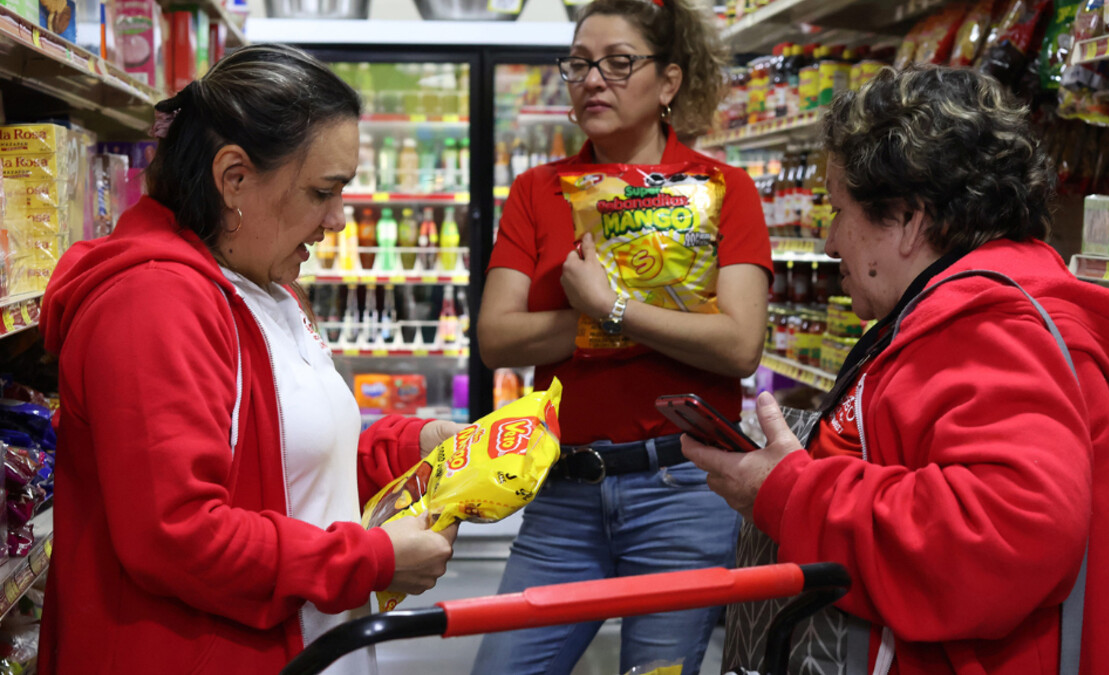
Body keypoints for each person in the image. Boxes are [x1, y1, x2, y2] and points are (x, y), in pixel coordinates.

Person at [683, 65, 1109, 674]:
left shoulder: (989, 329)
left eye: (839, 211)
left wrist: (788, 491)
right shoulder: (995, 306)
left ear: (910, 219)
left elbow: (1003, 533)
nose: (832, 241)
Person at [37, 44, 460, 675]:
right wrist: (369, 560)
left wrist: (408, 446)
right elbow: (176, 536)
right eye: (324, 191)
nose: (340, 220)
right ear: (233, 176)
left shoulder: (264, 285)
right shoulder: (153, 304)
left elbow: (284, 464)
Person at [472, 0, 771, 673]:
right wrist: (643, 322)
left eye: (617, 63)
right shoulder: (538, 190)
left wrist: (613, 311)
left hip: (683, 492)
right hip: (563, 492)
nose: (592, 80)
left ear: (668, 83)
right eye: (578, 64)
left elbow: (739, 344)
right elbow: (496, 337)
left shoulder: (725, 189)